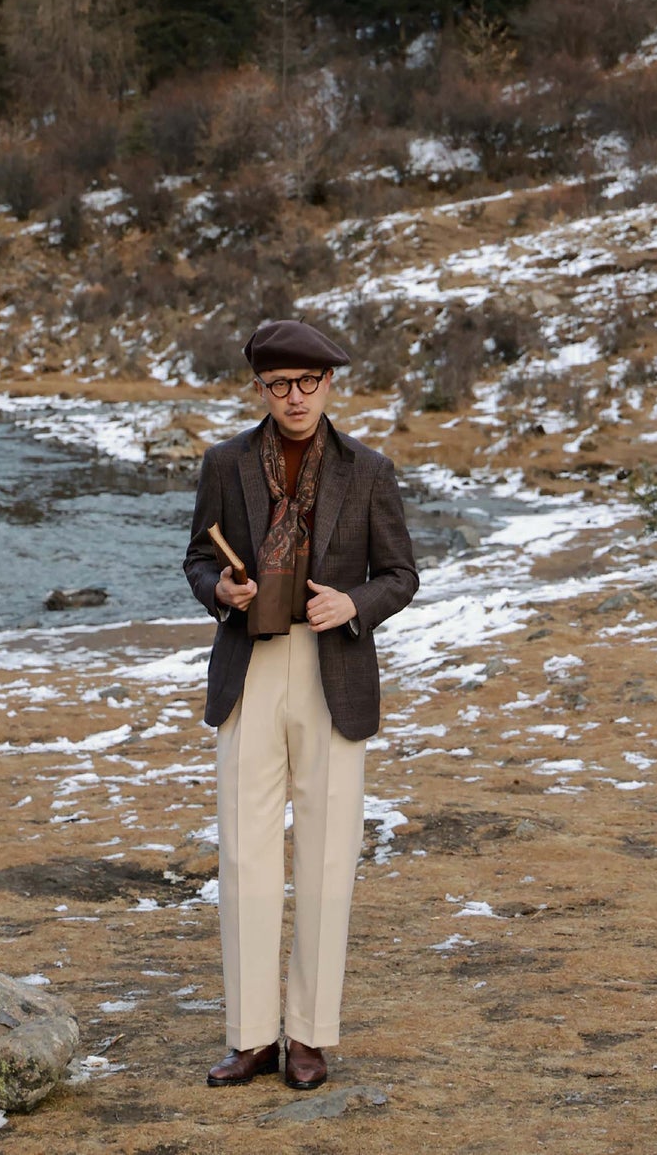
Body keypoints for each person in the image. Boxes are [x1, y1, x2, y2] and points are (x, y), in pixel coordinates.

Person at [183, 317, 418, 1090]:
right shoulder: (223, 463)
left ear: (328, 384)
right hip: (249, 670)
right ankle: (251, 1036)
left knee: (325, 859)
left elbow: (400, 575)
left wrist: (349, 604)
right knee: (246, 856)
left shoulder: (371, 470)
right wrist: (221, 588)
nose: (294, 397)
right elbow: (195, 559)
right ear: (260, 387)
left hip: (333, 674)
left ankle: (310, 1036)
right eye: (279, 383)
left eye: (307, 382)